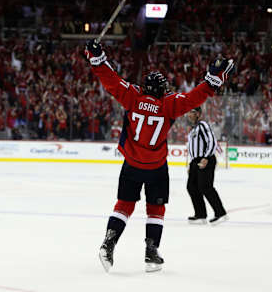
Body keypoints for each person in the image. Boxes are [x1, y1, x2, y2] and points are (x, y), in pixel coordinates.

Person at [84, 40, 234, 273]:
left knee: (124, 205)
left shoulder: (132, 97)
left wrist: (97, 58)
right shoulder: (168, 104)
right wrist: (212, 79)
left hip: (132, 163)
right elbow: (194, 98)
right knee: (156, 210)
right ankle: (151, 253)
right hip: (156, 166)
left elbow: (110, 80)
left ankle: (108, 243)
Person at [186, 106, 228, 226]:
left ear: (198, 114)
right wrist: (192, 163)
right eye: (188, 112)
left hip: (205, 159)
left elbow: (212, 141)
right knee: (192, 187)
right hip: (196, 161)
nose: (189, 114)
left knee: (205, 187)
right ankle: (200, 215)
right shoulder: (193, 129)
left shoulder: (203, 125)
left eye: (192, 112)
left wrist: (206, 157)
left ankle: (220, 213)